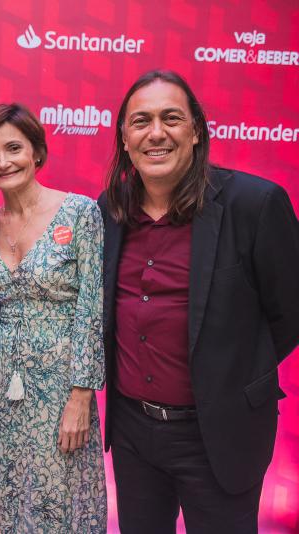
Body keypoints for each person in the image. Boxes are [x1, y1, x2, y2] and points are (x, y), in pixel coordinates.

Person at [100, 70, 299, 533]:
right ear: (125, 139)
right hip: (133, 435)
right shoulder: (108, 211)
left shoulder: (255, 204)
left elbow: (289, 313)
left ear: (196, 131)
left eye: (171, 118)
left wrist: (232, 372)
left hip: (221, 434)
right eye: (141, 121)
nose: (156, 133)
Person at [0, 103, 107, 533]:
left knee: (57, 498)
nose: (3, 162)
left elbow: (92, 307)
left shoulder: (80, 213)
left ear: (37, 153)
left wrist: (81, 396)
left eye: (14, 148)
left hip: (61, 387)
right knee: (0, 497)